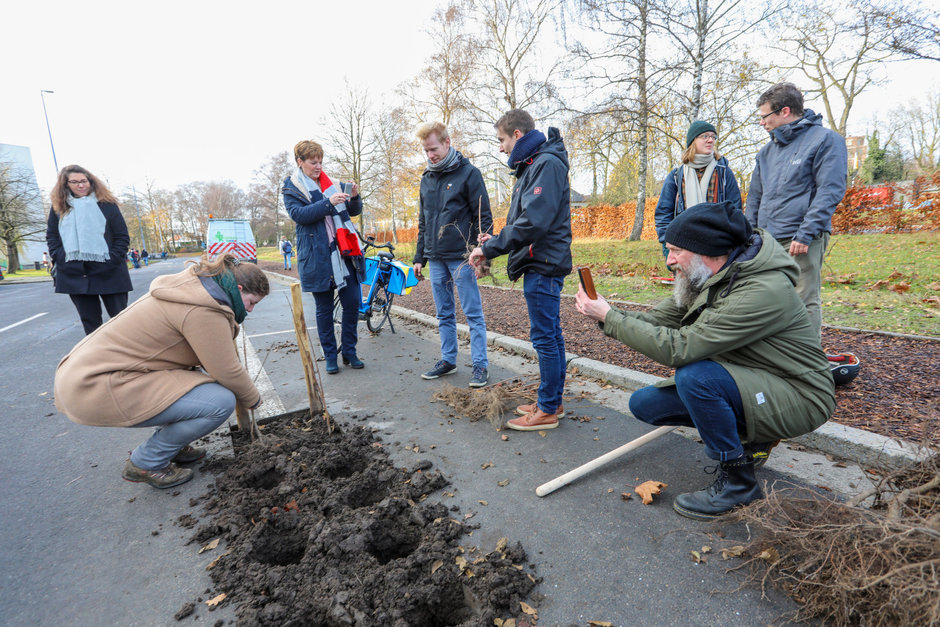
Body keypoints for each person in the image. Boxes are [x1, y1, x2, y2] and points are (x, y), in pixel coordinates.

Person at [575, 201, 835, 520]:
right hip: (755, 377)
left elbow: (680, 349)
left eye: (675, 251)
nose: (669, 261)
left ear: (707, 252)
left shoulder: (759, 291)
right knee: (646, 404)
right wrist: (607, 314)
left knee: (695, 377)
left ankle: (740, 484)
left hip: (799, 394)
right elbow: (662, 318)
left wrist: (611, 318)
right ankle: (755, 437)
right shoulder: (715, 275)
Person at [53, 254, 269, 489]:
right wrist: (254, 400)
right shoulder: (204, 309)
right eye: (252, 302)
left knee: (201, 386)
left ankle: (173, 445)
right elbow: (226, 370)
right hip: (95, 385)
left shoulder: (196, 290)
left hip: (89, 374)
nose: (251, 310)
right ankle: (147, 461)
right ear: (238, 289)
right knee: (220, 401)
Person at [469, 109, 572, 430]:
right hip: (541, 260)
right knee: (550, 335)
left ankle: (547, 411)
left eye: (501, 140)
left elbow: (534, 223)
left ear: (517, 135)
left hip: (543, 262)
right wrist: (497, 238)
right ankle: (551, 400)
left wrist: (489, 247)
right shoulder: (535, 166)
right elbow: (526, 221)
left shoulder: (545, 165)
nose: (500, 148)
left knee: (545, 338)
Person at [746, 82, 848, 339]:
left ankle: (808, 364)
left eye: (764, 116)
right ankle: (777, 358)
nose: (762, 122)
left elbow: (830, 190)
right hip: (767, 240)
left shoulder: (826, 140)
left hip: (801, 239)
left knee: (803, 300)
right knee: (768, 301)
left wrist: (806, 232)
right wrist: (750, 236)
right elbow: (755, 197)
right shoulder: (766, 152)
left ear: (785, 111)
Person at [413, 122, 493, 388]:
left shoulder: (469, 174)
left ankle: (480, 365)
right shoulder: (427, 178)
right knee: (444, 314)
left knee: (473, 314)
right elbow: (424, 222)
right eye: (426, 151)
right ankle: (448, 360)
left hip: (462, 258)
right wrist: (418, 258)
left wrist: (484, 256)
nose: (430, 155)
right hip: (435, 258)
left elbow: (484, 218)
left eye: (434, 149)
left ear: (447, 142)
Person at [283, 140, 364, 374]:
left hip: (344, 252)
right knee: (324, 309)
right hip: (318, 256)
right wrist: (329, 202)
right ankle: (330, 355)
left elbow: (353, 211)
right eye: (312, 162)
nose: (318, 166)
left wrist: (355, 197)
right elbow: (299, 215)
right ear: (300, 162)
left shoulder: (333, 184)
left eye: (320, 161)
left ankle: (349, 351)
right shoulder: (292, 187)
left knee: (352, 303)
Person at [46, 165, 133, 335]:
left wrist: (112, 259)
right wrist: (61, 257)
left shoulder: (107, 205)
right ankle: (100, 360)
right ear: (65, 185)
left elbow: (121, 236)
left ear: (90, 181)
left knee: (122, 321)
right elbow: (52, 237)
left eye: (84, 181)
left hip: (109, 271)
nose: (81, 185)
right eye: (75, 182)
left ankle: (129, 359)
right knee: (91, 326)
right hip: (76, 273)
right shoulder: (59, 208)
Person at [655, 120, 741, 259]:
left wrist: (730, 242)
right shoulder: (677, 176)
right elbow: (663, 212)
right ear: (693, 141)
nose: (710, 140)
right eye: (705, 136)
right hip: (684, 244)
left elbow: (735, 210)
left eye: (713, 136)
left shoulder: (724, 172)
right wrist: (667, 243)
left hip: (717, 245)